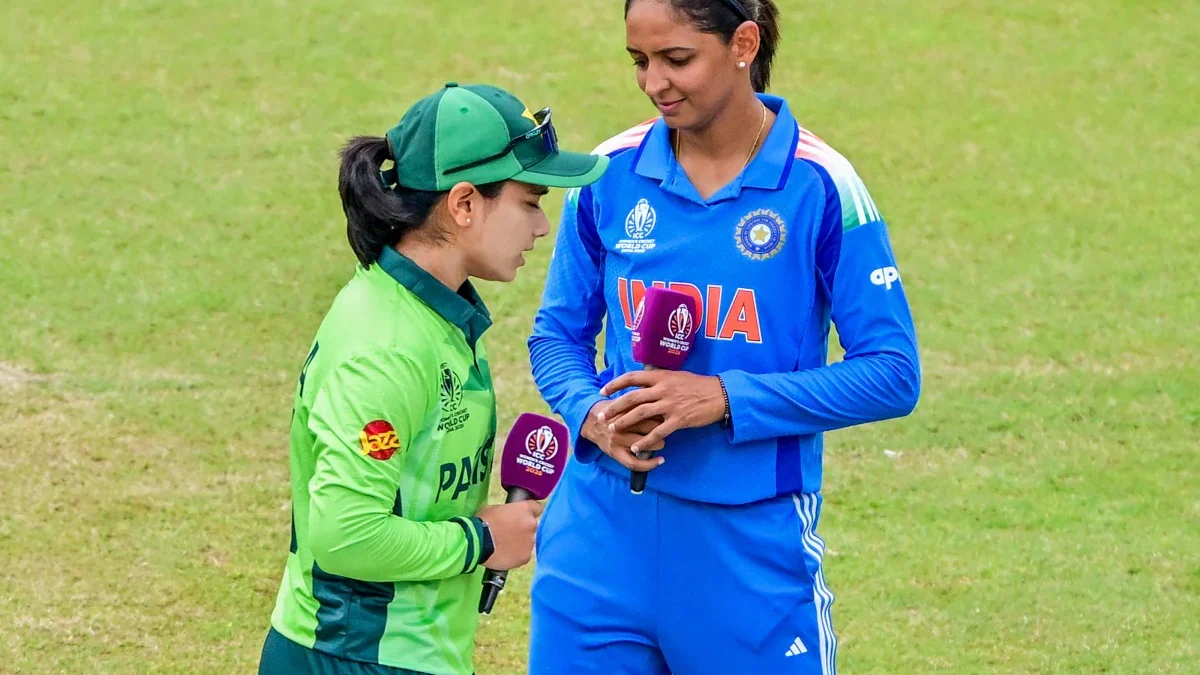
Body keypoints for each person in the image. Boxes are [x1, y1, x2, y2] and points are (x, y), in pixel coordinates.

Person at [527, 0, 920, 673]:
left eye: (678, 59)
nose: (655, 83)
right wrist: (590, 414)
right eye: (639, 62)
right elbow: (556, 335)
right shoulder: (610, 172)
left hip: (746, 554)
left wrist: (723, 397)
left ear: (744, 43)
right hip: (595, 545)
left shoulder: (822, 185)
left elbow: (891, 371)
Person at [260, 82, 608, 675]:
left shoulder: (436, 315)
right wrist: (481, 539)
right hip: (356, 657)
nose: (543, 226)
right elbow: (345, 536)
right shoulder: (387, 347)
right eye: (530, 200)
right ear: (465, 203)